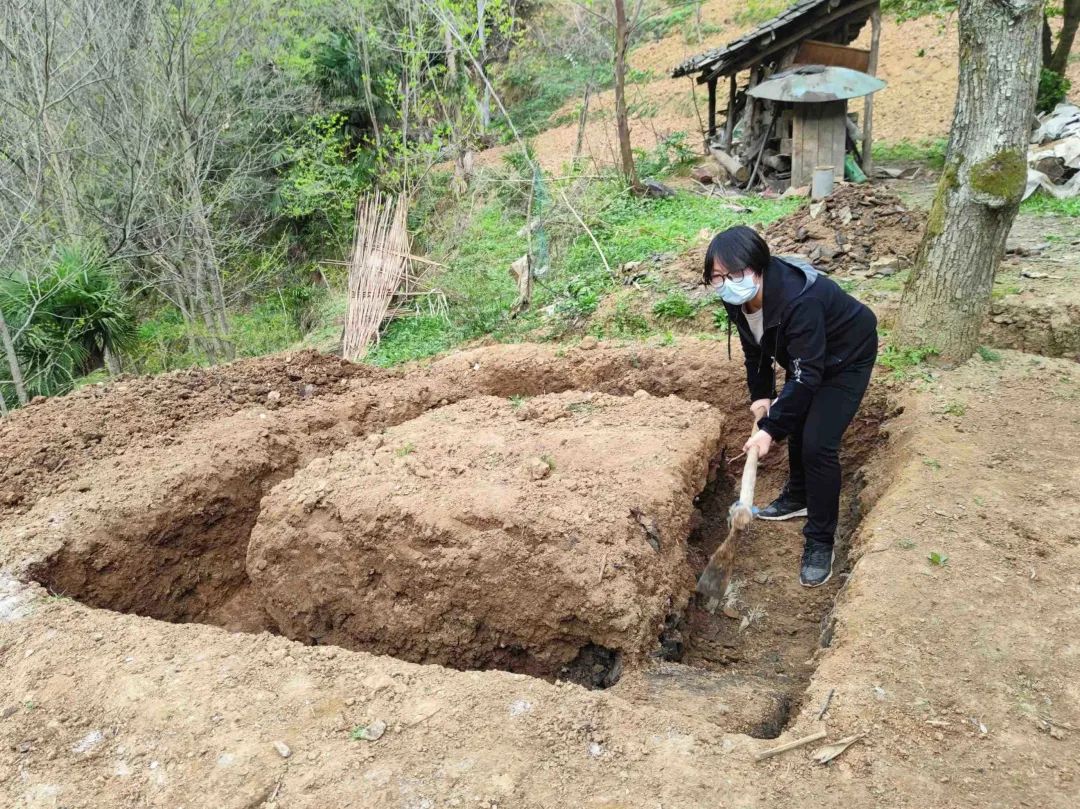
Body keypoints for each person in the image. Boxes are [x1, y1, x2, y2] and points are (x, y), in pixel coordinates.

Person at [704, 225, 878, 587]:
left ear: (759, 266)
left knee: (817, 443)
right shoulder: (736, 297)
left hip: (846, 356)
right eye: (717, 277)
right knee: (796, 417)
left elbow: (807, 376)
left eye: (734, 275)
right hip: (809, 358)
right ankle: (799, 496)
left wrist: (769, 431)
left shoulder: (800, 300)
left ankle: (820, 540)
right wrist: (761, 396)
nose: (726, 283)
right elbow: (756, 350)